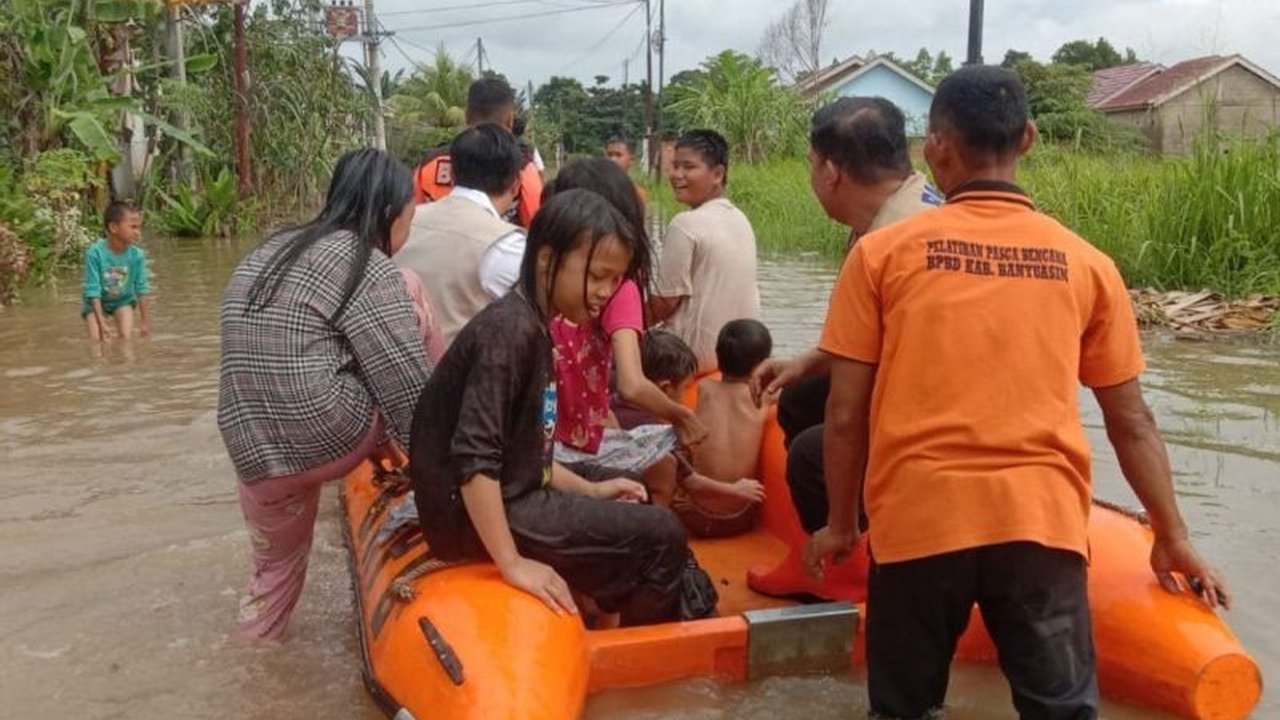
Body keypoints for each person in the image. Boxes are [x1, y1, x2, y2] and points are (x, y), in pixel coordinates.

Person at [805, 65, 1229, 720]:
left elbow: (843, 412)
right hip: (1043, 529)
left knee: (904, 709)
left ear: (936, 146)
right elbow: (1132, 420)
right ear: (1028, 138)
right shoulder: (1088, 264)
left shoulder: (883, 254)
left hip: (921, 521)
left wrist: (839, 525)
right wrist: (1171, 533)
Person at [410, 189, 715, 627]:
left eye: (615, 280)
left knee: (620, 482)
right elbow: (475, 461)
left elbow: (528, 452)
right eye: (598, 277)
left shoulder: (535, 325)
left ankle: (598, 606)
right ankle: (635, 668)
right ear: (548, 260)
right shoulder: (509, 333)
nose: (606, 293)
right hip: (469, 519)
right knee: (663, 535)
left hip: (514, 491)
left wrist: (591, 492)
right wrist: (512, 563)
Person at [218, 148, 431, 641]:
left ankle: (254, 674)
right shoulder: (369, 263)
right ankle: (422, 458)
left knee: (270, 579)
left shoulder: (271, 248)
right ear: (389, 213)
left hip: (251, 452)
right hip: (328, 434)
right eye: (410, 216)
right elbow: (407, 386)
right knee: (412, 288)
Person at [751, 97, 943, 537]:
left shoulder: (893, 241)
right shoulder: (907, 203)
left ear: (831, 172)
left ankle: (846, 545)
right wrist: (809, 361)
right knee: (802, 396)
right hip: (913, 382)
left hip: (928, 412)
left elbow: (849, 410)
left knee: (811, 455)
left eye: (811, 164)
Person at [544, 158, 707, 476]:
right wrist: (682, 416)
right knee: (667, 466)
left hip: (543, 444)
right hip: (575, 449)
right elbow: (632, 385)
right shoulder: (620, 287)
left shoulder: (544, 275)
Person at [397, 124, 525, 347]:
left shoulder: (403, 222)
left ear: (453, 176)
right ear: (516, 185)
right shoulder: (507, 244)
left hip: (397, 368)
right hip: (464, 376)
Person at [650, 129, 760, 372]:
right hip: (738, 358)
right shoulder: (741, 220)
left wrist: (621, 326)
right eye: (674, 166)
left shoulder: (685, 223)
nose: (677, 175)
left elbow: (664, 302)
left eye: (688, 167)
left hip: (691, 360)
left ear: (717, 174)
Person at [673, 319, 773, 538]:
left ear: (718, 357)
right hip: (740, 518)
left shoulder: (705, 389)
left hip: (694, 516)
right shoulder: (764, 396)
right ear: (761, 365)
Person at [413, 77, 543, 228]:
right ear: (510, 121)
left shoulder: (431, 163)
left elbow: (410, 220)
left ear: (467, 115)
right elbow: (537, 229)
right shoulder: (522, 169)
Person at [82, 201, 152, 341]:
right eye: (132, 227)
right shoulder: (94, 253)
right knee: (97, 341)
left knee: (126, 339)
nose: (137, 232)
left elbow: (142, 288)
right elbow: (92, 290)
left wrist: (145, 322)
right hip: (97, 303)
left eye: (138, 227)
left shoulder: (136, 255)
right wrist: (101, 323)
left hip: (122, 301)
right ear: (113, 227)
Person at [604, 135, 647, 205]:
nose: (613, 159)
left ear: (632, 160)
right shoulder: (596, 190)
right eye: (609, 155)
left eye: (618, 155)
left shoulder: (637, 194)